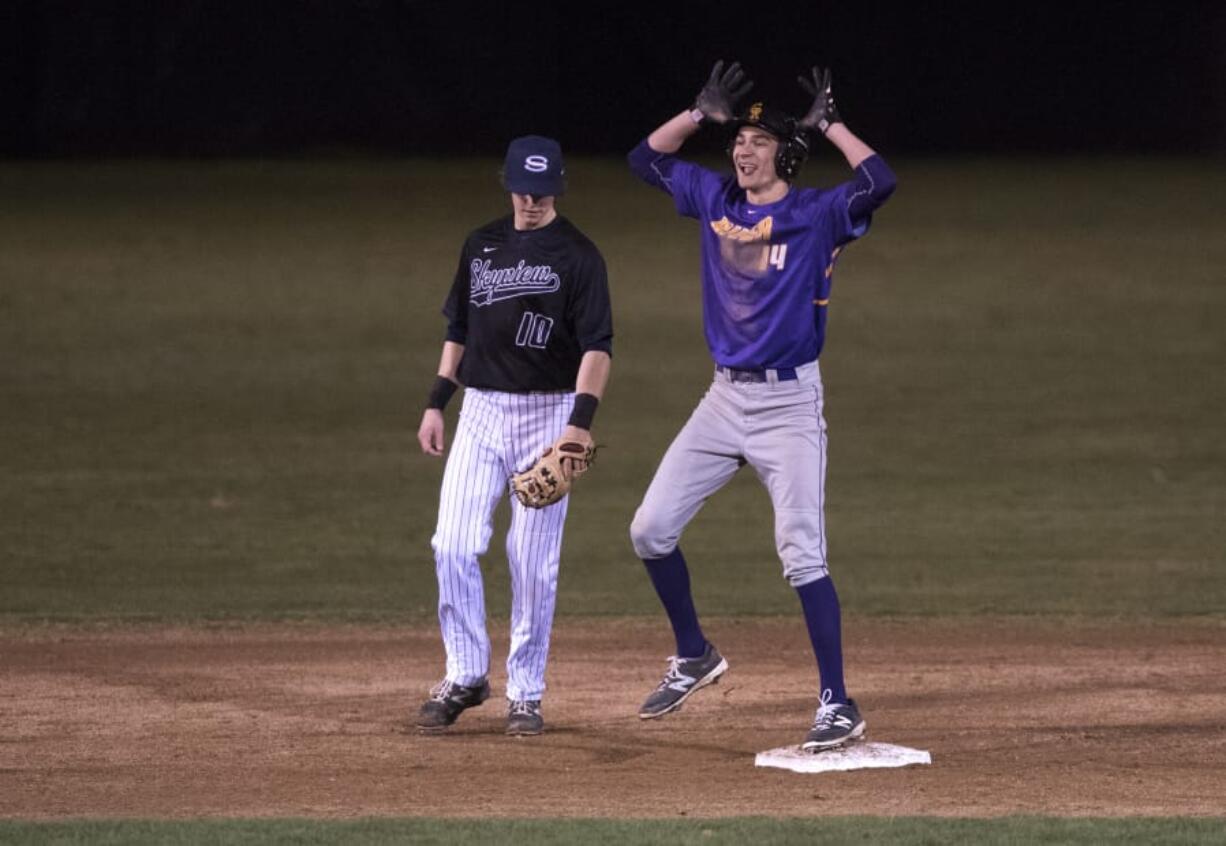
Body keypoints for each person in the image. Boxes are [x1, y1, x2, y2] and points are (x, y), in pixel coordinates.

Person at [626, 62, 896, 750]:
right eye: (739, 141)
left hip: (789, 407)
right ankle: (695, 654)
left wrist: (829, 123)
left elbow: (879, 181)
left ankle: (839, 701)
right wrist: (695, 113)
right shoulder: (714, 199)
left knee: (801, 554)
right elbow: (644, 159)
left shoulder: (815, 214)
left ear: (788, 154)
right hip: (722, 400)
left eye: (759, 143)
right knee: (649, 530)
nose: (743, 151)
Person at [416, 135, 613, 737]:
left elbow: (598, 347)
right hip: (479, 409)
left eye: (542, 190)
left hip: (549, 415)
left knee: (530, 562)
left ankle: (525, 693)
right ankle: (467, 674)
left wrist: (580, 423)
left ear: (557, 188)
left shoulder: (579, 256)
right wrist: (436, 402)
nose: (530, 200)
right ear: (507, 184)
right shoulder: (480, 245)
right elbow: (459, 328)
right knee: (451, 544)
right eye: (523, 189)